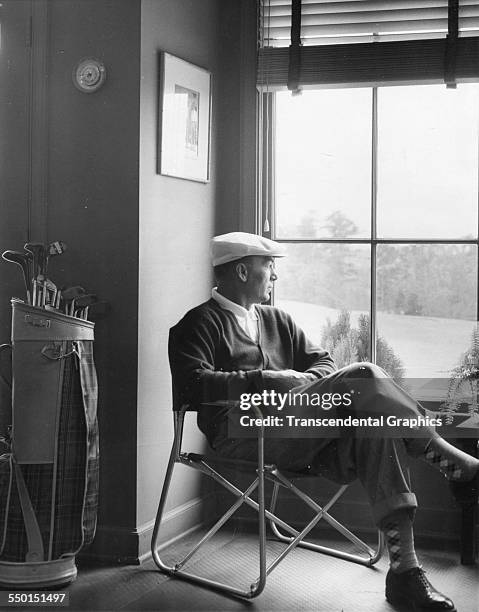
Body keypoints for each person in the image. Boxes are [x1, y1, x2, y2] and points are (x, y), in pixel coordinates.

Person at [169, 231, 479, 611]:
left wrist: (299, 382)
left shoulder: (276, 320)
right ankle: (457, 466)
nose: (274, 276)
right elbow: (191, 385)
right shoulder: (197, 324)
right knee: (364, 372)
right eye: (269, 266)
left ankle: (404, 571)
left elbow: (324, 364)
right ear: (243, 272)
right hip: (242, 435)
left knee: (375, 430)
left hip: (294, 433)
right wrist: (264, 380)